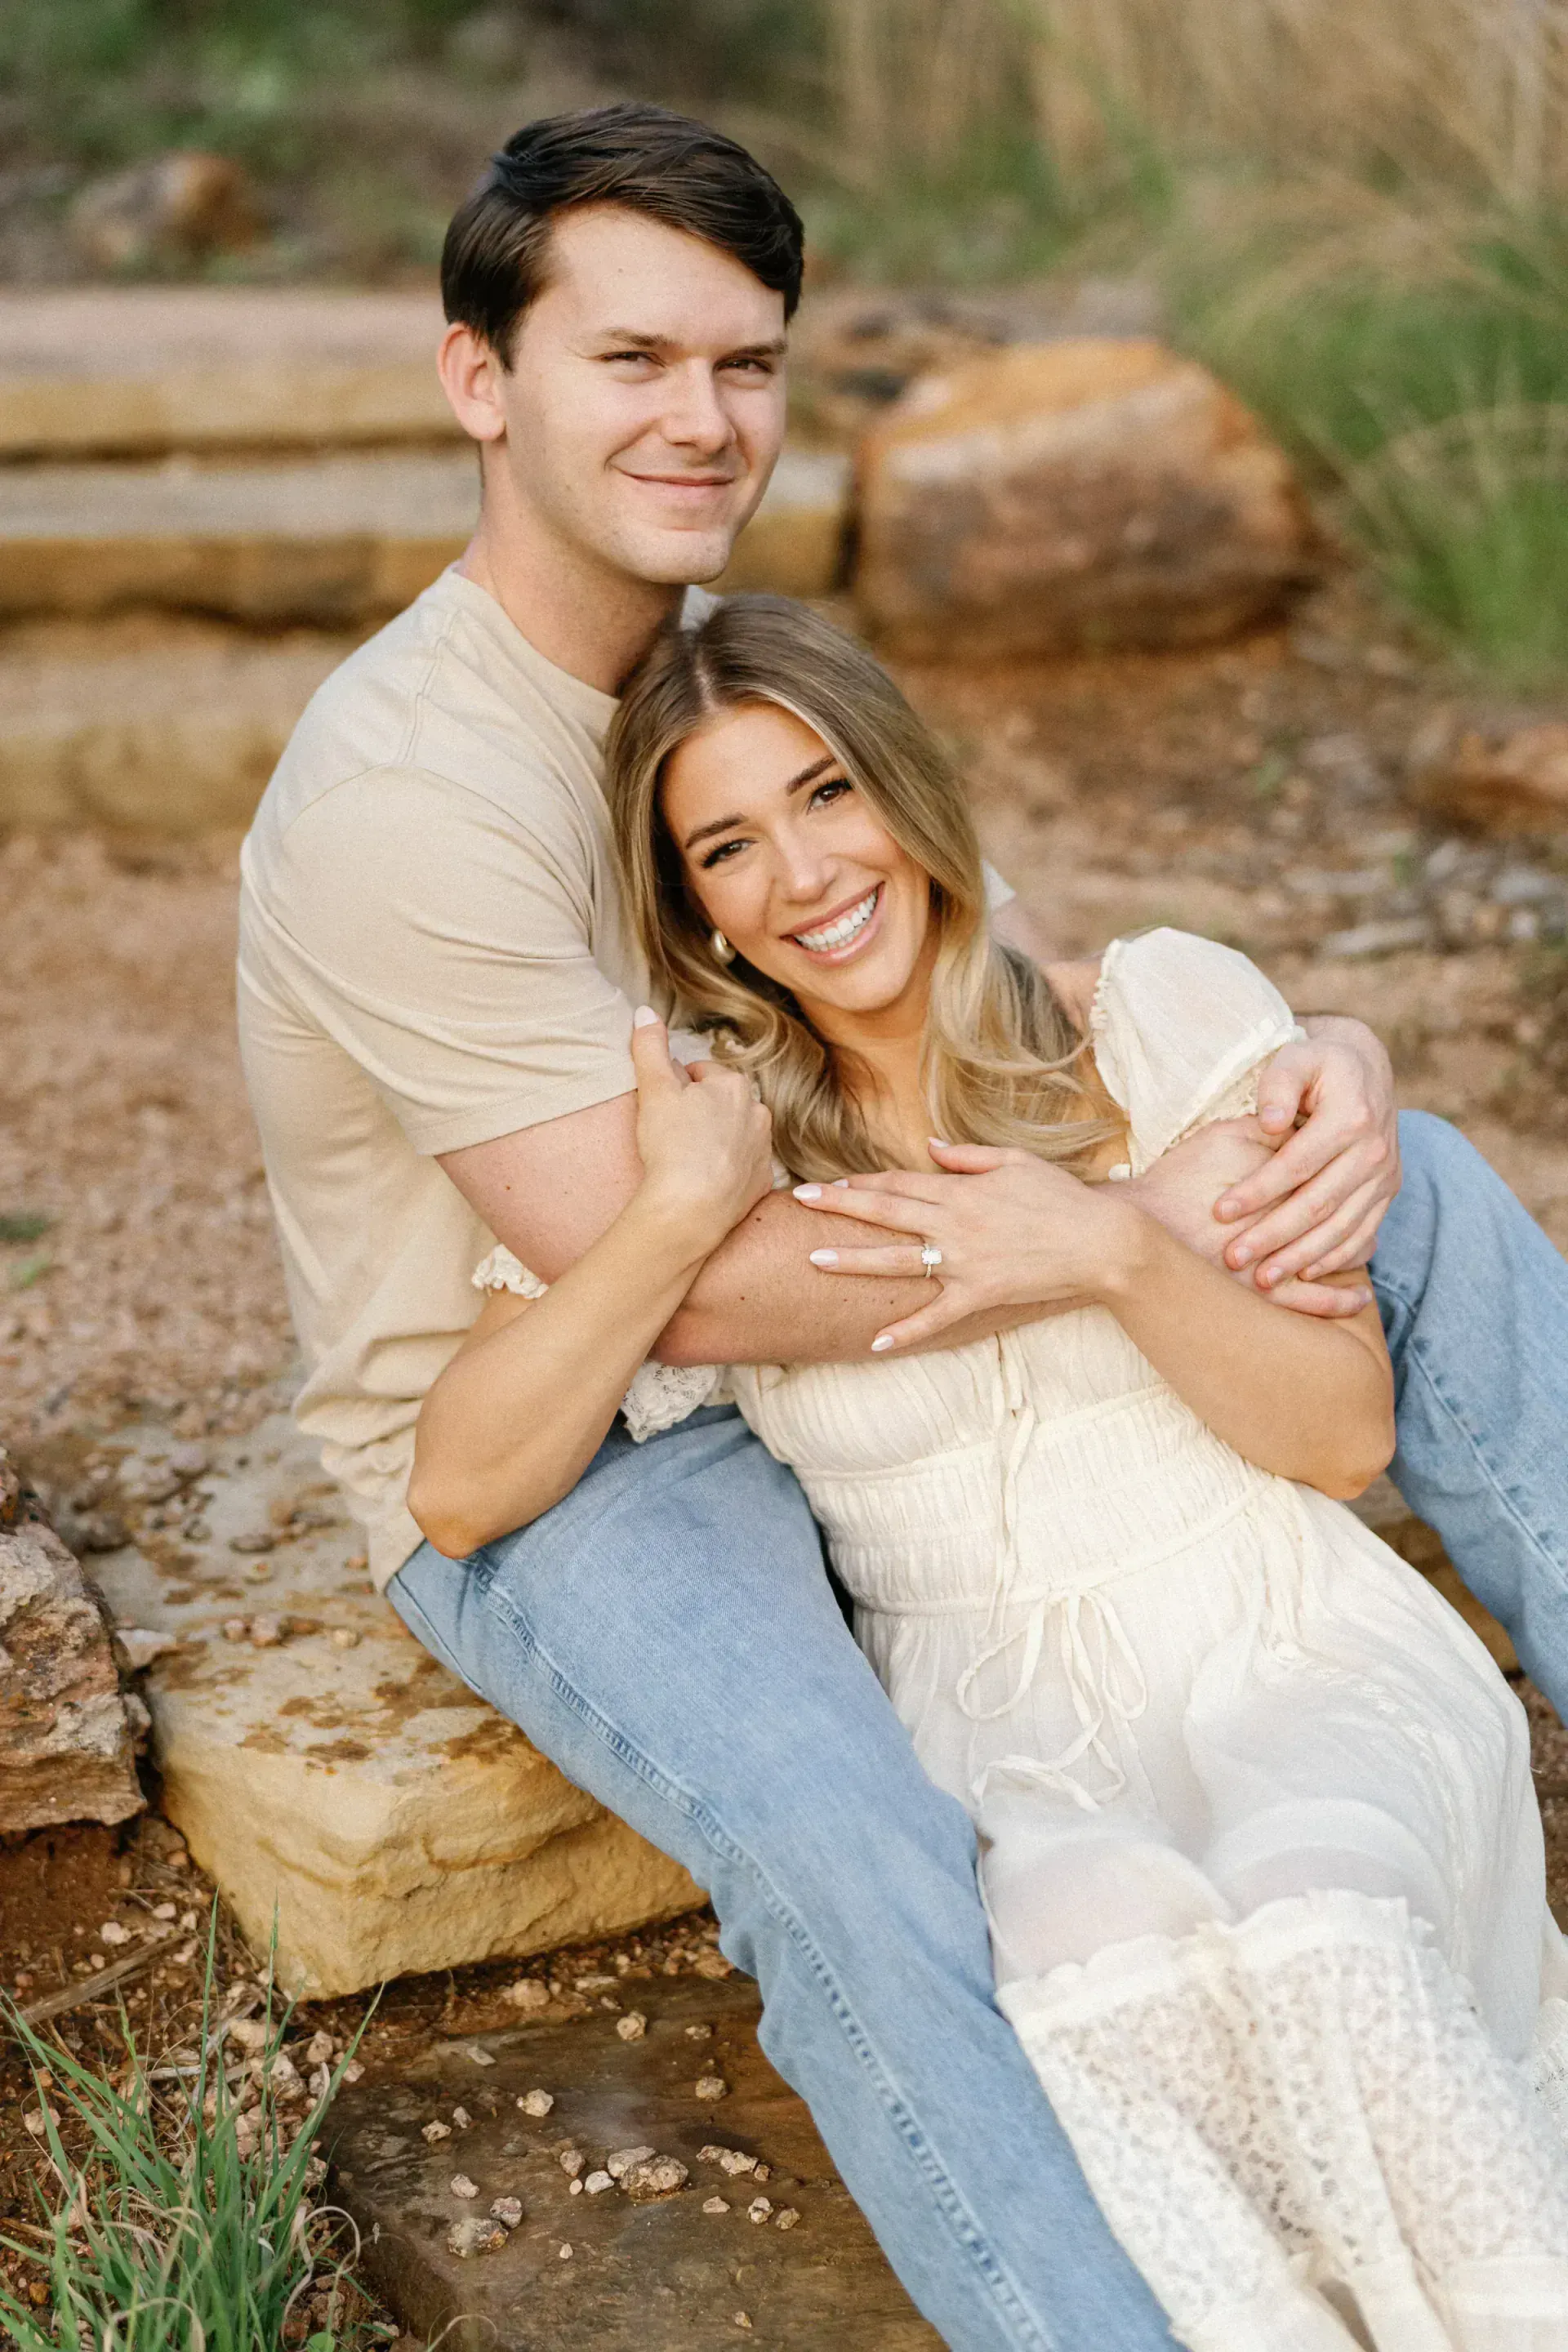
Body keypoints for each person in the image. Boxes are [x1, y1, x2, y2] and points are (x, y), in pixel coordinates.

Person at [237, 101, 1568, 2352]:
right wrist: (1123, 1222)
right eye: (631, 359)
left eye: (745, 363)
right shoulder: (411, 798)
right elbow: (688, 1262)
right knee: (858, 1858)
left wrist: (1307, 1063)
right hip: (593, 1431)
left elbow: (981, 987)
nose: (705, 417)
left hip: (783, 1289)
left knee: (1409, 1181)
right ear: (483, 380)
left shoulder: (702, 660)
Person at [412, 591, 1568, 2351]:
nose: (801, 874)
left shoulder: (1155, 1022)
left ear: (909, 786)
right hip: (1001, 1728)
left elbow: (1337, 1435)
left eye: (825, 795)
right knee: (1102, 2001)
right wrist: (662, 1220)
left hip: (1276, 1632)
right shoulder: (721, 1145)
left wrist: (1106, 1250)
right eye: (728, 846)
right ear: (694, 910)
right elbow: (460, 1488)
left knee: (1320, 1931)